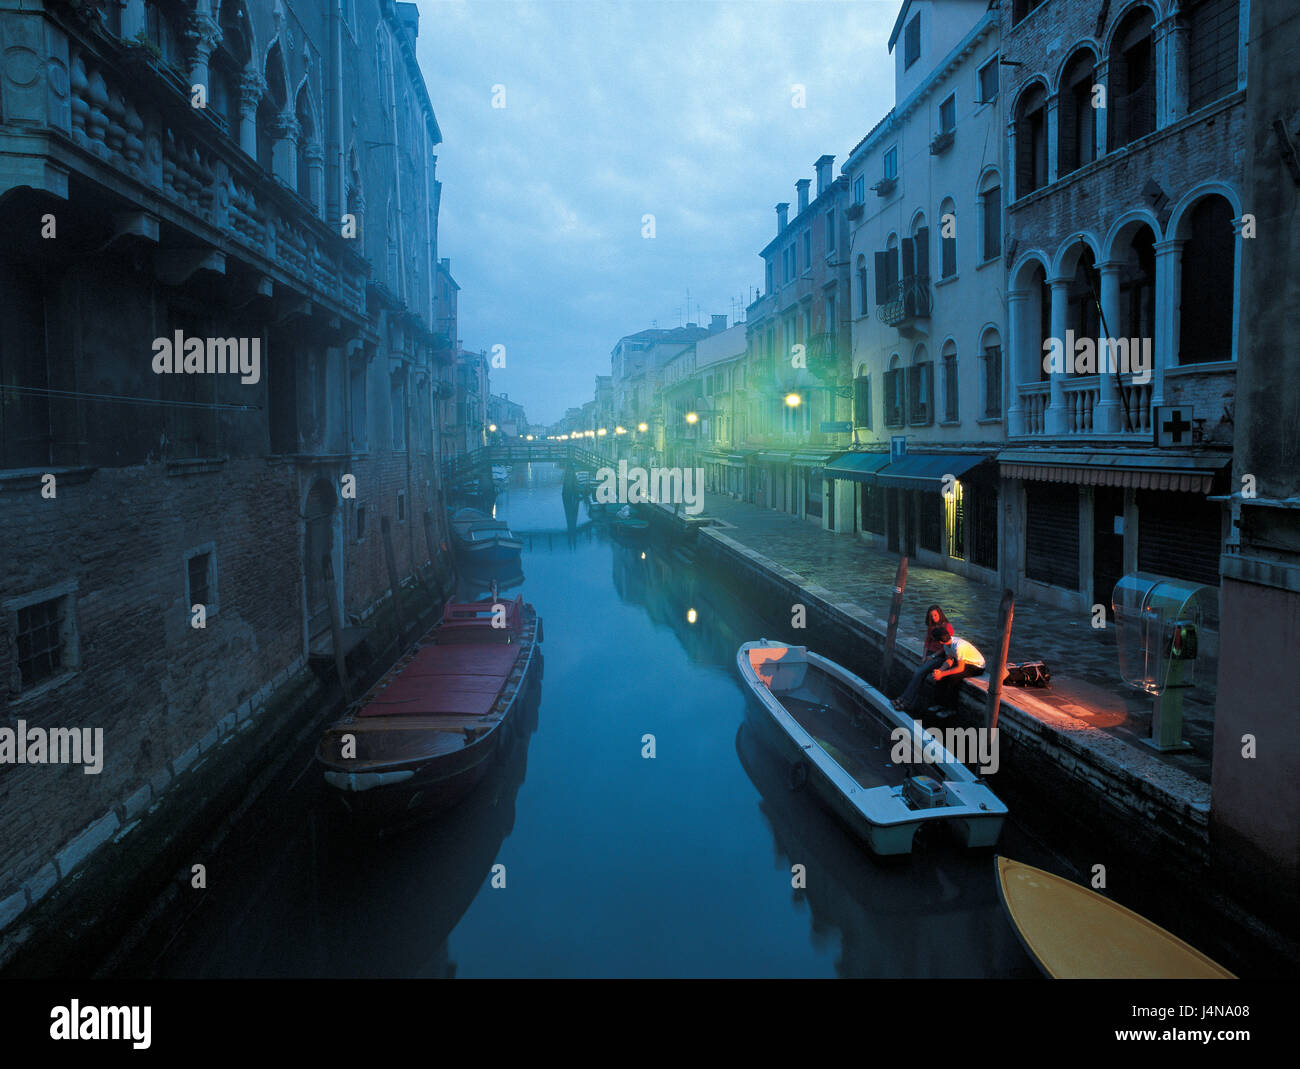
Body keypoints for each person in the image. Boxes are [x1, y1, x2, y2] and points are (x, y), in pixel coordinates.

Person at [891, 605, 954, 714]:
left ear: (940, 614)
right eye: (932, 616)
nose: (934, 618)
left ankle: (904, 700)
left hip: (939, 656)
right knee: (920, 675)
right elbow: (926, 642)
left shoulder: (947, 627)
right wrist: (924, 656)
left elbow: (947, 647)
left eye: (935, 615)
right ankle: (909, 703)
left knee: (918, 672)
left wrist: (932, 657)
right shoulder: (931, 626)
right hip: (930, 654)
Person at [929, 635, 987, 717]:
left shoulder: (959, 646)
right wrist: (940, 671)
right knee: (941, 677)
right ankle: (940, 704)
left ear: (940, 642)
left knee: (953, 678)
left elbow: (960, 668)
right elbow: (949, 660)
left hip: (977, 666)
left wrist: (942, 674)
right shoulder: (946, 644)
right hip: (965, 663)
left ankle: (951, 709)